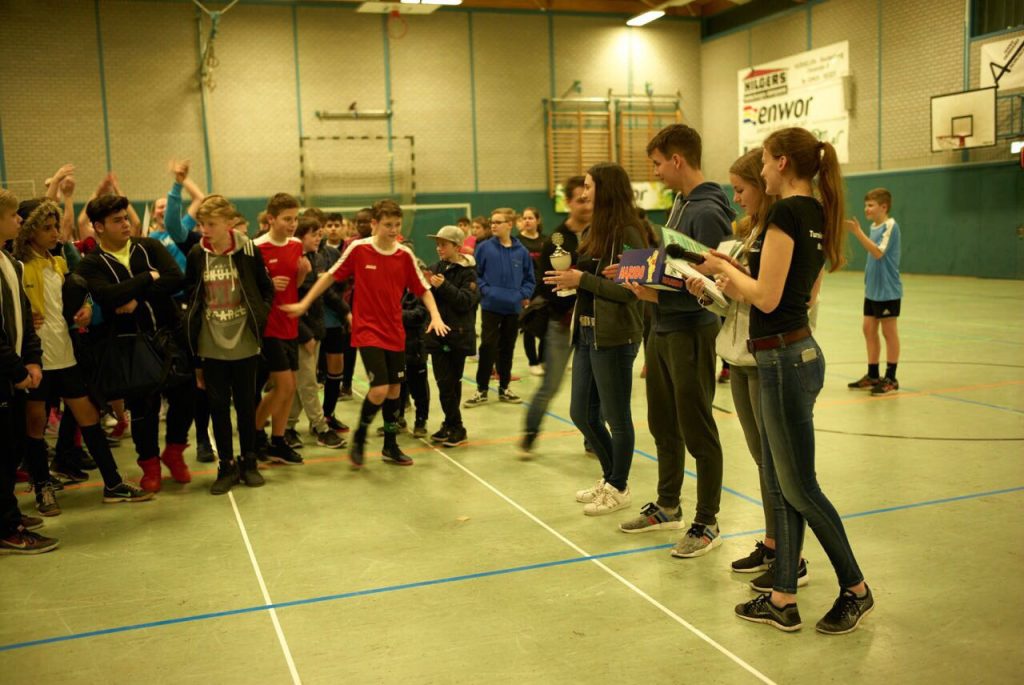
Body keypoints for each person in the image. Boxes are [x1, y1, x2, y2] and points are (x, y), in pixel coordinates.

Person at [698, 127, 873, 635]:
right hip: (791, 355)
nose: (762, 170)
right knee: (784, 483)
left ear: (777, 164)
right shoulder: (817, 211)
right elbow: (796, 289)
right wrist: (734, 268)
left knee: (801, 488)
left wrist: (724, 275)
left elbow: (768, 298)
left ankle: (856, 589)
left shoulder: (785, 212)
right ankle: (782, 597)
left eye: (766, 162)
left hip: (784, 360)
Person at [683, 149, 808, 593]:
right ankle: (775, 544)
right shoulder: (748, 232)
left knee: (779, 467)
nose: (735, 199)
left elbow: (779, 298)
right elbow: (735, 302)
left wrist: (730, 277)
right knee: (762, 462)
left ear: (766, 181)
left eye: (740, 189)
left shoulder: (782, 231)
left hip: (770, 358)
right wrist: (707, 286)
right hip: (739, 357)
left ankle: (792, 556)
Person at [619, 124, 734, 559]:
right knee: (664, 423)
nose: (657, 172)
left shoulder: (706, 211)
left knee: (697, 428)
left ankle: (707, 521)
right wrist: (644, 283)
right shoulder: (681, 205)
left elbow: (714, 277)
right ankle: (668, 504)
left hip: (690, 330)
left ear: (677, 160)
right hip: (664, 327)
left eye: (657, 163)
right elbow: (677, 266)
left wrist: (663, 287)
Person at [284, 199, 449, 468]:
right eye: (387, 225)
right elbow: (329, 277)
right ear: (374, 224)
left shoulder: (404, 255)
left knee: (395, 390)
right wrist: (304, 302)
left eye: (397, 224)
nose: (393, 229)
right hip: (367, 329)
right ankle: (360, 436)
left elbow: (423, 289)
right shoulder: (359, 250)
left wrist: (436, 315)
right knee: (380, 388)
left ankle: (390, 445)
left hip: (394, 330)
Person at [15, 199, 153, 511]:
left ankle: (113, 482)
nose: (54, 233)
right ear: (28, 231)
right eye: (47, 228)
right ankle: (42, 488)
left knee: (88, 417)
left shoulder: (59, 262)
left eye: (55, 227)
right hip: (37, 360)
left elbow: (80, 295)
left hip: (66, 355)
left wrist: (87, 307)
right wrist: (25, 319)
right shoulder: (18, 266)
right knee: (35, 424)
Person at [546, 164, 646, 516]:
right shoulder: (595, 229)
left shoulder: (632, 231)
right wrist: (570, 278)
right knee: (582, 414)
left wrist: (581, 280)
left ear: (605, 188)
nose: (584, 193)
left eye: (588, 186)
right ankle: (611, 478)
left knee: (617, 418)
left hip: (616, 336)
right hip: (587, 332)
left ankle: (619, 486)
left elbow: (631, 293)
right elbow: (593, 277)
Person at [76, 194, 193, 493]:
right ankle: (150, 465)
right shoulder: (91, 264)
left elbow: (175, 279)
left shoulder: (148, 246)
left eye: (126, 218)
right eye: (117, 221)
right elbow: (107, 296)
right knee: (144, 409)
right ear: (99, 227)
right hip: (130, 346)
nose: (126, 224)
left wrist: (136, 295)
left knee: (187, 397)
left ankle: (175, 452)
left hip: (169, 335)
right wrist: (146, 278)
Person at [185, 195, 275, 494]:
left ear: (228, 223)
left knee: (247, 403)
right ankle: (226, 465)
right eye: (202, 224)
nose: (205, 230)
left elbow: (265, 288)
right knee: (218, 406)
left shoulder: (248, 249)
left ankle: (249, 461)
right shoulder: (198, 254)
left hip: (244, 340)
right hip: (211, 343)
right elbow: (192, 294)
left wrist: (259, 318)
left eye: (211, 224)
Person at [0, 189, 58, 555]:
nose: (19, 220)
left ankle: (8, 515)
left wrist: (33, 360)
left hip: (16, 374)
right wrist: (16, 369)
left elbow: (24, 319)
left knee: (12, 448)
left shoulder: (9, 262)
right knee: (2, 453)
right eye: (11, 215)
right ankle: (7, 528)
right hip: (5, 375)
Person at [519, 176, 591, 456]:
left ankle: (593, 439)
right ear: (568, 203)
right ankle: (530, 432)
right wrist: (572, 293)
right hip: (561, 323)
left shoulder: (601, 233)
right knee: (551, 384)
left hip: (592, 324)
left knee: (592, 388)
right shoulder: (557, 241)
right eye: (580, 200)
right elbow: (546, 286)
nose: (586, 205)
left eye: (589, 198)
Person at [253, 193, 310, 465]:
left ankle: (277, 440)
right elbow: (248, 290)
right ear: (271, 219)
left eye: (295, 219)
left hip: (290, 323)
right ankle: (253, 434)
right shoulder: (255, 248)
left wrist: (302, 276)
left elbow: (294, 287)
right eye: (287, 219)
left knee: (288, 388)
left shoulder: (297, 244)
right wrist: (267, 285)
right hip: (268, 327)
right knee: (284, 386)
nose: (292, 224)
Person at [464, 208, 534, 407]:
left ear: (509, 225)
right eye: (491, 222)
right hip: (490, 307)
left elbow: (530, 278)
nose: (493, 225)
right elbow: (476, 274)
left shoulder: (521, 252)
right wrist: (487, 290)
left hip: (512, 309)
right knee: (487, 347)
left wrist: (522, 294)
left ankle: (504, 388)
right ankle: (481, 390)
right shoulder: (485, 248)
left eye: (498, 222)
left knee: (507, 348)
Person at [286, 216, 345, 449]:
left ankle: (288, 427)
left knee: (303, 382)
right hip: (302, 331)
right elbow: (290, 300)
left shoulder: (316, 257)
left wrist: (344, 311)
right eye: (314, 234)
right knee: (308, 382)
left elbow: (322, 295)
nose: (319, 237)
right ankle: (321, 428)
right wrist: (304, 334)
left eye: (320, 233)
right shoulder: (294, 261)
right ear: (301, 237)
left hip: (316, 328)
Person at [424, 226, 478, 447]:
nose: (439, 248)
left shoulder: (468, 273)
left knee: (450, 383)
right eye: (437, 244)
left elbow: (467, 301)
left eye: (443, 244)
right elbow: (423, 298)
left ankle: (457, 427)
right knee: (445, 383)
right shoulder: (434, 268)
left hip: (458, 336)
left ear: (457, 247)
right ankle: (451, 423)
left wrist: (443, 286)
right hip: (437, 336)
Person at [845, 188, 902, 395]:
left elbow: (878, 252)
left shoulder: (890, 226)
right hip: (873, 290)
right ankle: (873, 374)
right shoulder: (874, 226)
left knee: (889, 332)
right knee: (868, 329)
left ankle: (891, 377)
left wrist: (857, 232)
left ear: (884, 207)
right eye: (866, 205)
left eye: (871, 205)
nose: (866, 209)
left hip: (888, 290)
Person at [517, 207, 546, 376]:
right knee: (528, 326)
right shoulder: (517, 241)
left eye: (531, 218)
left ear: (537, 220)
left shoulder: (546, 240)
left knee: (545, 326)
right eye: (525, 218)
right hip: (526, 289)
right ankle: (533, 361)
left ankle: (543, 360)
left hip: (544, 289)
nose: (527, 220)